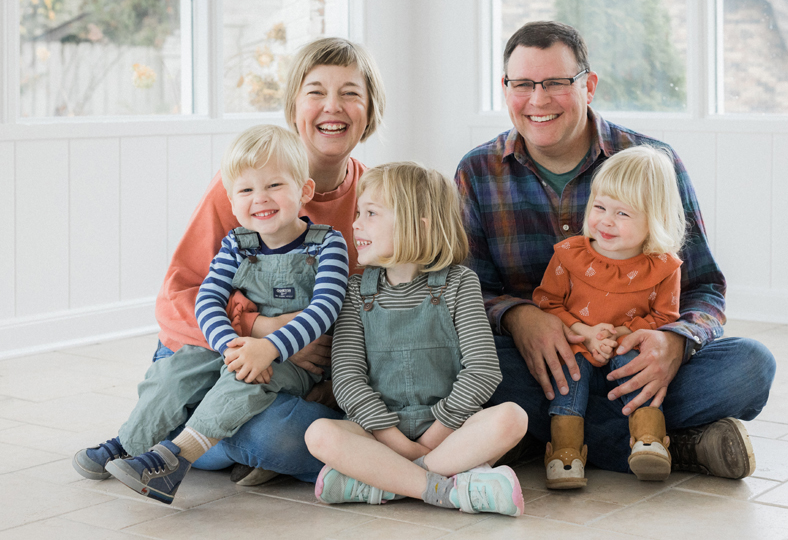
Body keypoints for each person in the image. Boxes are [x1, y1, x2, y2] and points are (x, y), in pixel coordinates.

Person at [455, 20, 776, 480]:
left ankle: (551, 440)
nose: (538, 100)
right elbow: (467, 288)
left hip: (637, 364)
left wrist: (675, 343)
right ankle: (668, 443)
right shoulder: (477, 171)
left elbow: (705, 286)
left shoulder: (652, 162)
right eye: (522, 84)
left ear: (589, 85)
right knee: (458, 363)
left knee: (751, 367)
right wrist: (518, 317)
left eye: (556, 83)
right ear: (505, 88)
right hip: (545, 368)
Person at [90, 37, 385, 486]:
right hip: (208, 348)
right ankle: (197, 442)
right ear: (293, 105)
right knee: (199, 399)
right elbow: (180, 296)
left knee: (273, 433)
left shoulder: (375, 197)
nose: (333, 107)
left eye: (350, 92)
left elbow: (369, 311)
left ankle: (194, 444)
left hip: (297, 371)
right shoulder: (247, 189)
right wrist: (258, 332)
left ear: (370, 108)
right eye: (316, 92)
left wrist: (330, 383)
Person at [73, 125, 349, 504]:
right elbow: (208, 300)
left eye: (274, 186)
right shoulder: (236, 243)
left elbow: (324, 309)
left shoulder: (327, 244)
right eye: (247, 190)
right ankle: (128, 443)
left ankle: (174, 460)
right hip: (238, 346)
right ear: (231, 201)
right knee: (178, 369)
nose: (260, 199)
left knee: (244, 380)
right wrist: (232, 345)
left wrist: (267, 349)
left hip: (293, 361)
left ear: (304, 191)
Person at [305, 162, 528, 517]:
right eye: (358, 212)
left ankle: (387, 482)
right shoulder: (354, 292)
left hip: (450, 433)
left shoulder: (460, 284)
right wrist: (393, 439)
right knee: (319, 434)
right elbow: (347, 379)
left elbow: (483, 370)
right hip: (379, 435)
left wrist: (430, 440)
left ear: (417, 225)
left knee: (512, 418)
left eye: (371, 213)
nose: (356, 223)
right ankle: (445, 488)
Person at [534, 145, 685, 488]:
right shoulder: (569, 255)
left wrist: (621, 333)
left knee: (747, 362)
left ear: (654, 219)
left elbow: (665, 317)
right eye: (600, 207)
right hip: (577, 347)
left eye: (623, 214)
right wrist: (585, 333)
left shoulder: (663, 266)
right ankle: (565, 454)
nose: (605, 221)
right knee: (565, 378)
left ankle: (648, 442)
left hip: (626, 352)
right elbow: (547, 303)